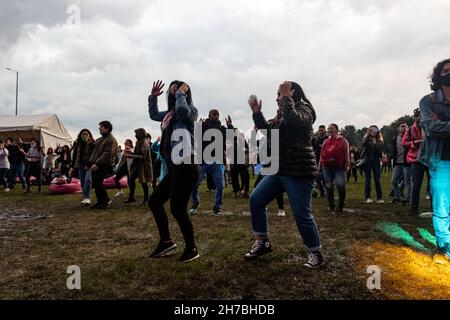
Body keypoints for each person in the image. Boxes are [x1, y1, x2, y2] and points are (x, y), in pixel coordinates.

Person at [245, 81, 324, 268]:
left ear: (292, 93)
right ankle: (262, 242)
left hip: (299, 170)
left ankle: (315, 253)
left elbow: (294, 120)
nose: (276, 97)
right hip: (280, 169)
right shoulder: (282, 114)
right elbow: (266, 130)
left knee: (301, 214)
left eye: (279, 93)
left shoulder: (305, 110)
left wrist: (286, 98)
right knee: (256, 199)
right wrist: (257, 113)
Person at [147, 80, 200, 262]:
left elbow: (182, 110)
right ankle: (166, 242)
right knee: (154, 201)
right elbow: (154, 114)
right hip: (175, 166)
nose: (173, 93)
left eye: (176, 91)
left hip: (187, 162)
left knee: (177, 208)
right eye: (172, 91)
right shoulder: (169, 115)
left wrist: (180, 95)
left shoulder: (190, 111)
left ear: (184, 94)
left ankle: (192, 248)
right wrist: (153, 97)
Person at [418, 58, 450, 263]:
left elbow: (440, 127)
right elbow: (431, 128)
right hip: (441, 159)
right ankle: (445, 246)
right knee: (441, 206)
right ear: (438, 75)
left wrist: (444, 125)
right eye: (447, 70)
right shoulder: (428, 100)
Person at [189, 109, 233, 216]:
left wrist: (230, 126)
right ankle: (195, 203)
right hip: (204, 161)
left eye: (218, 114)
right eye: (214, 114)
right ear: (209, 115)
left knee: (220, 186)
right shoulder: (203, 126)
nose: (216, 116)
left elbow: (230, 139)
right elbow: (196, 138)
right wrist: (199, 126)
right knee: (194, 184)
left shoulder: (222, 128)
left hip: (217, 161)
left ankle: (217, 207)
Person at [403, 108, 431, 216]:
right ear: (415, 118)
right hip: (416, 160)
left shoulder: (430, 126)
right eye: (417, 116)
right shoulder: (410, 129)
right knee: (416, 185)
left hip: (429, 159)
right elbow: (404, 143)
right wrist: (415, 143)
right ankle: (413, 208)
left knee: (433, 184)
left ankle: (435, 208)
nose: (419, 118)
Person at [319, 124, 350, 213]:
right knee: (329, 186)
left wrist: (347, 165)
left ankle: (341, 204)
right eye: (328, 129)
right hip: (327, 167)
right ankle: (331, 205)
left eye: (332, 128)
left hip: (340, 167)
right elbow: (321, 155)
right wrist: (319, 166)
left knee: (340, 185)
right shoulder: (325, 141)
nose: (330, 130)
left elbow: (346, 153)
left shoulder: (343, 141)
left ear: (337, 130)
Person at [89, 121, 118, 209]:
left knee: (98, 183)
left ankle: (105, 201)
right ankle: (100, 201)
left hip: (104, 165)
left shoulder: (111, 140)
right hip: (97, 164)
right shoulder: (101, 139)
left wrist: (97, 163)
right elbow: (94, 147)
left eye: (101, 127)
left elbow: (107, 154)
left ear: (107, 128)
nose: (99, 128)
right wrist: (91, 143)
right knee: (96, 183)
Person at [124, 128, 153, 204]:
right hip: (137, 165)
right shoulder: (138, 142)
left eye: (136, 134)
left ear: (140, 134)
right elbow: (137, 153)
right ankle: (131, 197)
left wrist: (131, 156)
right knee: (131, 179)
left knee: (144, 182)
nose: (135, 135)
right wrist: (131, 152)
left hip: (144, 165)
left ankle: (146, 198)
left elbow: (143, 157)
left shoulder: (145, 143)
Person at [361, 125, 385, 203]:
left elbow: (380, 149)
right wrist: (367, 135)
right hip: (367, 160)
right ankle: (368, 197)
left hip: (376, 160)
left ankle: (379, 198)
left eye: (375, 130)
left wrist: (375, 144)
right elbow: (363, 143)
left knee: (377, 179)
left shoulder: (379, 139)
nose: (373, 132)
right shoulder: (367, 139)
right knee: (368, 179)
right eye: (371, 130)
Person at [72, 129, 95, 205]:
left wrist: (90, 144)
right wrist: (73, 166)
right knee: (82, 182)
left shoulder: (92, 143)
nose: (84, 136)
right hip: (80, 165)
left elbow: (93, 154)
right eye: (83, 134)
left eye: (86, 134)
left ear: (89, 135)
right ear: (80, 135)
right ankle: (85, 196)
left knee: (87, 180)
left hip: (89, 165)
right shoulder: (78, 144)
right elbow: (75, 155)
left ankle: (86, 197)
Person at [391, 121, 411, 204]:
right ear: (398, 128)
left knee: (407, 181)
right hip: (398, 163)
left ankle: (408, 198)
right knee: (393, 181)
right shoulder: (395, 139)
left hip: (407, 163)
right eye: (402, 126)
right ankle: (397, 197)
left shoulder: (409, 138)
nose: (404, 128)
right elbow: (394, 151)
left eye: (406, 126)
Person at [312, 125, 327, 197]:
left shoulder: (328, 139)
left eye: (322, 130)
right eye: (320, 130)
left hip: (326, 161)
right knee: (317, 179)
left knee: (325, 179)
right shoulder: (315, 140)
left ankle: (327, 191)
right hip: (317, 161)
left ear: (325, 130)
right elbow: (313, 150)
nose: (321, 132)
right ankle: (322, 192)